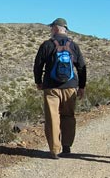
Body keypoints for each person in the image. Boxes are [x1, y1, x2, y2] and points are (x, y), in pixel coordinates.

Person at [34, 17, 87, 159]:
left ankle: (54, 150)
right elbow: (81, 67)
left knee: (52, 117)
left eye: (52, 27)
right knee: (68, 116)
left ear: (56, 28)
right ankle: (67, 146)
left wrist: (38, 81)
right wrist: (81, 86)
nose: (51, 30)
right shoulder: (73, 45)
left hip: (51, 87)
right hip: (70, 86)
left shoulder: (47, 45)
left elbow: (38, 65)